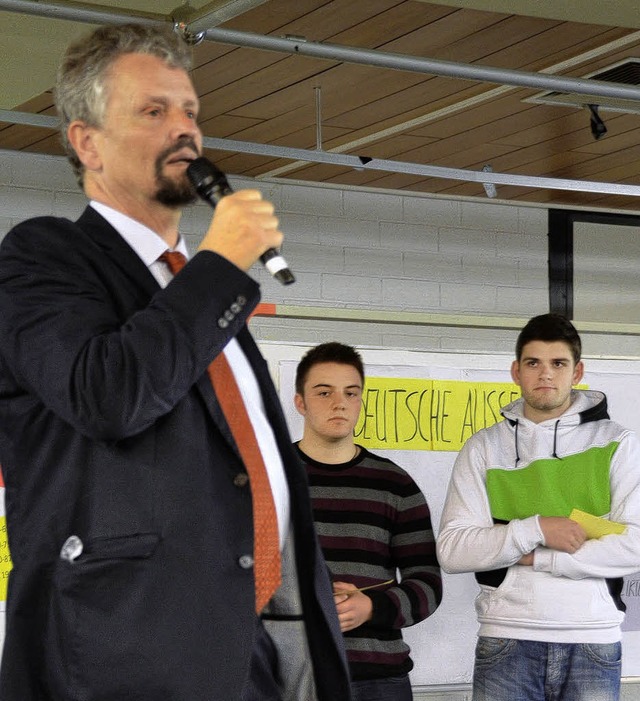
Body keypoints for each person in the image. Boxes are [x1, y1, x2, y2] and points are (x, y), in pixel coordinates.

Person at [0, 23, 351, 701]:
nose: (184, 129)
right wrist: (220, 264)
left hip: (253, 639)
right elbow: (109, 394)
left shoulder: (197, 289)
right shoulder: (42, 257)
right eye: (154, 111)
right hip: (121, 654)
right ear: (87, 143)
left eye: (190, 111)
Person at [437, 313, 640, 701]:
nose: (545, 375)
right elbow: (454, 550)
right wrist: (537, 529)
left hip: (593, 638)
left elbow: (635, 545)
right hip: (507, 637)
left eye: (558, 364)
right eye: (533, 363)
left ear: (577, 371)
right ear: (516, 371)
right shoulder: (484, 447)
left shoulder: (618, 443)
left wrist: (538, 559)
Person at [293, 342, 442, 701]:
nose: (339, 403)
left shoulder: (395, 485)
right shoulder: (270, 479)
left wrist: (371, 608)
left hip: (377, 678)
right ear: (300, 402)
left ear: (361, 400)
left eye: (350, 392)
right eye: (323, 392)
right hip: (291, 672)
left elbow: (428, 584)